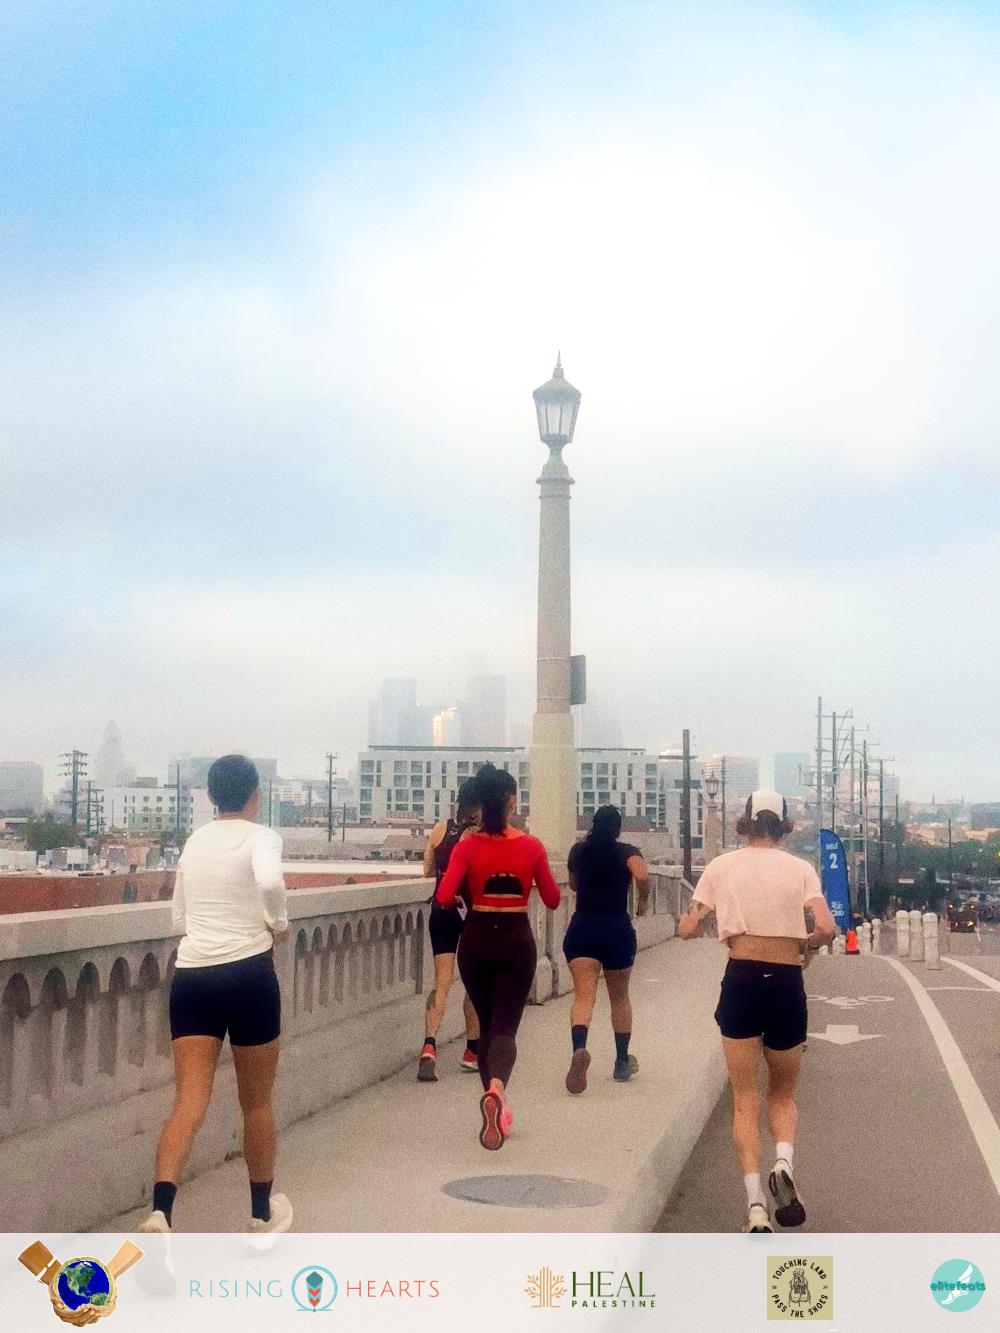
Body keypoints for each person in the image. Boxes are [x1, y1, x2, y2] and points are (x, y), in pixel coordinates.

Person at [138, 755, 293, 1235]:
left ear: (210, 797)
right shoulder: (262, 837)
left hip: (194, 977)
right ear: (256, 796)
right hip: (249, 975)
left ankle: (161, 1212)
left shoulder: (195, 842)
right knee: (257, 1102)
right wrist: (277, 923)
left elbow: (178, 917)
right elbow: (269, 881)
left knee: (189, 1100)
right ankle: (260, 1214)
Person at [677, 790, 835, 1234]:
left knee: (744, 1098)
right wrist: (806, 946)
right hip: (786, 982)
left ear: (746, 822)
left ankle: (755, 1208)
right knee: (781, 1094)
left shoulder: (721, 866)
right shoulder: (800, 869)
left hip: (742, 979)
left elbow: (688, 927)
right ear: (783, 825)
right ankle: (783, 1162)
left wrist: (696, 922)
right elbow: (826, 927)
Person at [436, 763, 560, 1150]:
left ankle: (494, 1101)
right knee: (505, 1028)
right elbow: (554, 898)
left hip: (476, 940)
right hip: (515, 939)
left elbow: (443, 896)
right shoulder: (531, 846)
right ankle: (497, 1090)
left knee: (486, 1026)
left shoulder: (467, 846)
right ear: (511, 802)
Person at [563, 805, 650, 1093]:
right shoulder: (627, 852)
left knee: (583, 996)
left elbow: (573, 885)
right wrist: (642, 900)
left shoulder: (579, 851)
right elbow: (641, 875)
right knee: (620, 997)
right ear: (618, 829)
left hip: (583, 928)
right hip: (615, 930)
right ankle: (622, 1061)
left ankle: (579, 1049)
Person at [418, 778, 481, 1081]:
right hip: (471, 915)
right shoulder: (479, 837)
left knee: (441, 982)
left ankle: (429, 1046)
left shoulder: (440, 829)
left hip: (441, 912)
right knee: (473, 983)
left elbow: (427, 870)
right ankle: (471, 1052)